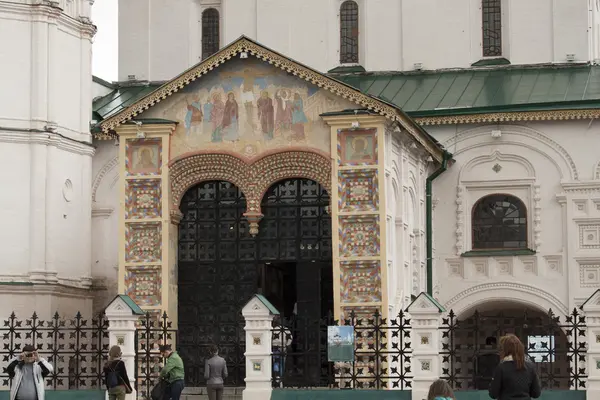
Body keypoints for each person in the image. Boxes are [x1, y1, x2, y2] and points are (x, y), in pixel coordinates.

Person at [489, 334, 542, 400]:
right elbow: (536, 393)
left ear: (505, 350)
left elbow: (493, 394)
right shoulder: (531, 367)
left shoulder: (501, 368)